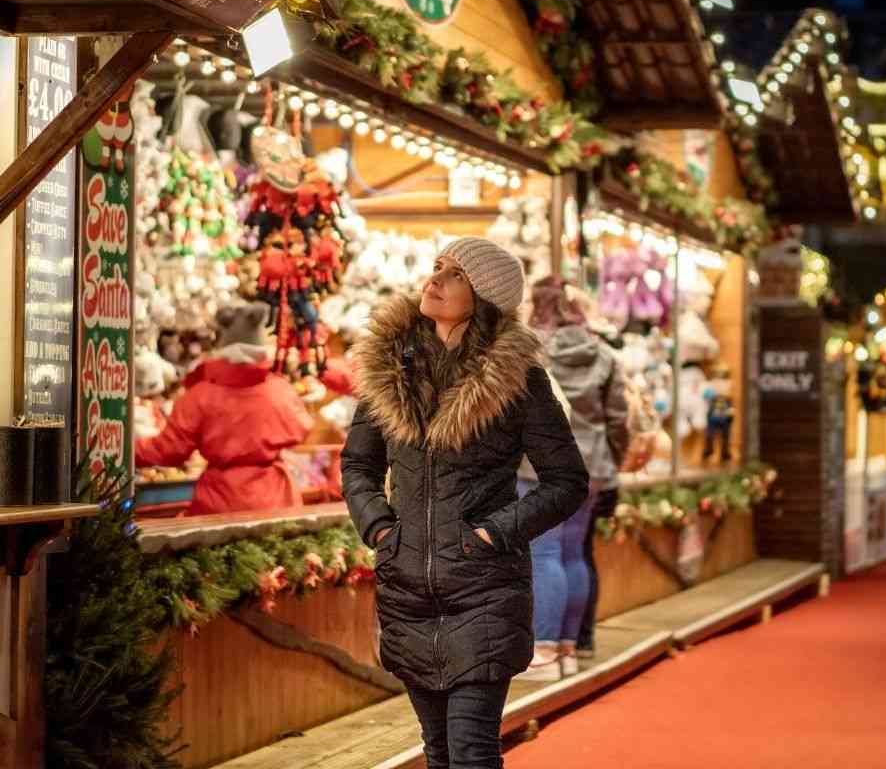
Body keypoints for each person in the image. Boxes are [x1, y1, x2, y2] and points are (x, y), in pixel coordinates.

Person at [342, 237, 589, 769]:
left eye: (454, 275)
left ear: (483, 298)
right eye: (436, 268)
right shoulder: (390, 373)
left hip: (485, 588)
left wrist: (493, 533)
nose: (434, 281)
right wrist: (382, 530)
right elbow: (359, 466)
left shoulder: (517, 381)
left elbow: (566, 481)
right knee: (437, 753)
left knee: (472, 751)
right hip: (407, 589)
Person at [516, 277, 630, 681]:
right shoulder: (603, 353)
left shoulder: (529, 350)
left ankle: (543, 652)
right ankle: (568, 648)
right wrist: (610, 462)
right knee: (572, 554)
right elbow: (618, 419)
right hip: (591, 467)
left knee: (543, 554)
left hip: (539, 468)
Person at [135, 302, 313, 515]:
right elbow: (303, 428)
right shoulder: (280, 389)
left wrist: (123, 451)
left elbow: (168, 450)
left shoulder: (200, 395)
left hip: (221, 502)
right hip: (278, 501)